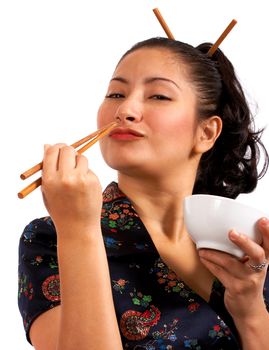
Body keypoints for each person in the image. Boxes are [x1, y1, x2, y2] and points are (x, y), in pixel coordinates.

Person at [18, 37, 269, 350]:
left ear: (206, 132)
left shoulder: (242, 248)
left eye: (159, 96)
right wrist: (78, 230)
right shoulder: (51, 237)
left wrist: (250, 311)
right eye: (116, 93)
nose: (125, 109)